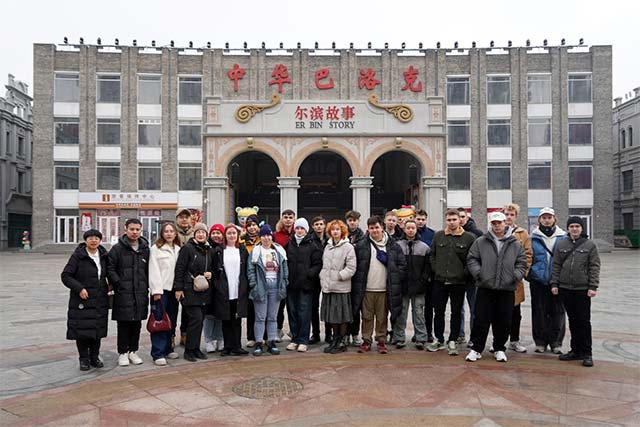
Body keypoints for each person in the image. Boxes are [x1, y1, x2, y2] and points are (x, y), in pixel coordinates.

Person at [465, 212, 527, 363]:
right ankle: (476, 349)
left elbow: (522, 262)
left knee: (504, 320)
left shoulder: (515, 243)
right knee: (481, 319)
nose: (497, 226)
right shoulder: (481, 241)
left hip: (507, 288)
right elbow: (472, 259)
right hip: (486, 286)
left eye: (499, 223)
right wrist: (479, 273)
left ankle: (499, 348)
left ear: (505, 223)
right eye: (494, 223)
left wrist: (515, 276)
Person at [352, 216, 406, 354]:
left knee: (382, 318)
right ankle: (366, 340)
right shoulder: (361, 245)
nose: (374, 230)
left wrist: (393, 273)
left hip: (384, 289)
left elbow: (402, 266)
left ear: (382, 227)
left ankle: (381, 341)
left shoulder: (393, 246)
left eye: (376, 227)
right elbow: (355, 267)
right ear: (368, 229)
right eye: (371, 228)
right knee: (366, 317)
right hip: (367, 289)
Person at [551, 217, 600, 367]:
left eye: (577, 226)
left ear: (582, 228)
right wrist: (554, 283)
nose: (574, 229)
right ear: (567, 228)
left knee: (583, 321)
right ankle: (575, 350)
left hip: (582, 289)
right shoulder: (561, 244)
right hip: (565, 288)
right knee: (572, 320)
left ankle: (587, 353)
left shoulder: (590, 245)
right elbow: (556, 265)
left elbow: (594, 266)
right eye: (571, 226)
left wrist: (593, 286)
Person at [427, 209, 475, 356]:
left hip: (458, 282)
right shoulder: (439, 235)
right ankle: (439, 339)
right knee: (438, 312)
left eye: (454, 219)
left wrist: (463, 274)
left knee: (456, 312)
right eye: (449, 220)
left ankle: (453, 340)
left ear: (460, 220)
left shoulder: (469, 238)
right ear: (446, 220)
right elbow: (432, 255)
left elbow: (472, 259)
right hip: (440, 281)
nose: (452, 222)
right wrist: (436, 270)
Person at [61, 229, 110, 371]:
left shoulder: (104, 256)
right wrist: (79, 288)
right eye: (90, 238)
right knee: (82, 331)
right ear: (85, 240)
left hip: (100, 299)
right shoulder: (78, 256)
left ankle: (94, 357)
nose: (94, 241)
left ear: (100, 240)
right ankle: (83, 359)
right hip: (82, 299)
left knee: (97, 330)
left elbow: (109, 273)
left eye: (96, 238)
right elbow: (66, 276)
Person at [108, 218, 150, 367]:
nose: (135, 232)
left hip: (140, 292)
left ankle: (133, 351)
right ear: (125, 229)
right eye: (132, 229)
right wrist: (118, 283)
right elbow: (110, 268)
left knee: (137, 324)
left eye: (137, 229)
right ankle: (123, 352)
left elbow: (149, 269)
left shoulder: (145, 249)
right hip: (123, 293)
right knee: (124, 323)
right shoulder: (117, 249)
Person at [528, 207, 566, 354]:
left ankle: (556, 342)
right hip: (538, 281)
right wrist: (530, 274)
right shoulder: (533, 237)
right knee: (539, 311)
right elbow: (528, 257)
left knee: (558, 312)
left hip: (558, 281)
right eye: (544, 218)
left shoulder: (563, 237)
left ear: (554, 219)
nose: (547, 220)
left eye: (549, 217)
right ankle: (540, 341)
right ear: (539, 220)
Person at [173, 222, 213, 362]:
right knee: (195, 319)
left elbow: (212, 267)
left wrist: (210, 274)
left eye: (203, 232)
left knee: (200, 321)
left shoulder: (208, 249)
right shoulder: (187, 248)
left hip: (203, 290)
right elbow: (180, 268)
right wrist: (178, 288)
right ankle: (189, 350)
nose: (201, 235)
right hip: (190, 290)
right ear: (194, 234)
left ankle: (196, 349)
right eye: (198, 232)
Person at [248, 224, 289, 356]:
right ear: (260, 237)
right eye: (264, 235)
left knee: (272, 317)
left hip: (276, 286)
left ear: (272, 236)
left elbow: (285, 268)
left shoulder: (279, 250)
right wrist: (254, 285)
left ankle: (271, 341)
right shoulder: (256, 251)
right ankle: (259, 342)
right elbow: (250, 270)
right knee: (260, 317)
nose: (266, 238)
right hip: (261, 286)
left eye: (268, 235)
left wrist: (284, 283)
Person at [285, 218, 323, 352]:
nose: (299, 231)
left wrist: (308, 274)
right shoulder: (289, 244)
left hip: (306, 285)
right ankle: (294, 339)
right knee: (292, 312)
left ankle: (303, 340)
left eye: (302, 228)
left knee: (304, 313)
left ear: (306, 230)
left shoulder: (313, 245)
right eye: (297, 228)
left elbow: (318, 264)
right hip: (291, 285)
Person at [212, 224, 250, 357]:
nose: (232, 236)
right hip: (224, 290)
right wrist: (218, 285)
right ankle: (227, 346)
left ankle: (237, 346)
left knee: (237, 319)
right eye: (229, 233)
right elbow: (214, 270)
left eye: (234, 233)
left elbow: (246, 269)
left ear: (237, 235)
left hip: (238, 289)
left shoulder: (242, 250)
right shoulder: (219, 251)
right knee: (226, 319)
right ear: (225, 236)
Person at [320, 220, 357, 354]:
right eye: (333, 229)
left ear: (342, 231)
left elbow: (351, 267)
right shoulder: (328, 246)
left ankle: (341, 341)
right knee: (332, 316)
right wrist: (323, 276)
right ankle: (335, 339)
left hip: (341, 287)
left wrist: (339, 276)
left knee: (341, 316)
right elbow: (324, 265)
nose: (335, 232)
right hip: (328, 286)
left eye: (337, 229)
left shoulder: (348, 247)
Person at [393, 220, 431, 350]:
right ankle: (399, 337)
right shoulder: (397, 246)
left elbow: (427, 268)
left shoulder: (424, 247)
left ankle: (421, 338)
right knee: (401, 312)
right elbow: (394, 265)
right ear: (404, 229)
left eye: (413, 228)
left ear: (416, 229)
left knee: (418, 313)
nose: (410, 230)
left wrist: (423, 281)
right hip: (402, 286)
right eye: (408, 228)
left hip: (419, 286)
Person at [148, 222, 181, 366]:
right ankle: (158, 353)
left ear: (175, 233)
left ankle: (168, 348)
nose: (169, 234)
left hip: (174, 290)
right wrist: (156, 290)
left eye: (171, 231)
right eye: (166, 231)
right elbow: (153, 270)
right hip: (161, 291)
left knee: (170, 320)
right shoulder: (156, 249)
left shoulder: (178, 249)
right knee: (159, 321)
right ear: (162, 233)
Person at [503, 203, 533, 353]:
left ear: (516, 216)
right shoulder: (496, 230)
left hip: (515, 280)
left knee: (515, 313)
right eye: (506, 214)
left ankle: (514, 341)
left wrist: (521, 273)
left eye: (511, 214)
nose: (509, 217)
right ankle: (499, 341)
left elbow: (528, 255)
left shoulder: (522, 233)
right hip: (499, 280)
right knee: (500, 312)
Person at [456, 207, 482, 346]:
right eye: (458, 217)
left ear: (467, 217)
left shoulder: (477, 234)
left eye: (462, 217)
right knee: (458, 308)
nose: (460, 220)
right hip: (457, 277)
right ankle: (460, 335)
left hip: (473, 278)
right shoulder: (451, 233)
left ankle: (474, 336)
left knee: (475, 308)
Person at [239, 214, 261, 348]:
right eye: (249, 225)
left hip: (262, 279)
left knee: (262, 310)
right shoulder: (241, 241)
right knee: (251, 309)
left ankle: (263, 336)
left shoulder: (263, 239)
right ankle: (251, 336)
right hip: (247, 280)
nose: (252, 228)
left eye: (254, 225)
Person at [274, 209, 296, 341]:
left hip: (294, 275)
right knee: (279, 305)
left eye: (290, 217)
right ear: (282, 219)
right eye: (285, 217)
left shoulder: (298, 233)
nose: (288, 219)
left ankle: (294, 331)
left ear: (294, 219)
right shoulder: (276, 235)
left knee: (293, 306)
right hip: (279, 275)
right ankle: (278, 330)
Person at [414, 209, 436, 343]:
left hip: (429, 276)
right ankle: (417, 332)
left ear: (426, 220)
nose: (420, 222)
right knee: (415, 308)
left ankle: (428, 332)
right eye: (418, 219)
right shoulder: (410, 232)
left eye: (423, 219)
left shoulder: (432, 234)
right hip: (414, 275)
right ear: (414, 219)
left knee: (428, 307)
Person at [203, 224, 225, 353]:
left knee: (220, 315)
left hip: (222, 287)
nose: (216, 235)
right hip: (209, 287)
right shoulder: (207, 248)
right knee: (209, 316)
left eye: (219, 233)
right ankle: (208, 340)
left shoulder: (225, 248)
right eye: (214, 233)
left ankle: (219, 338)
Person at [345, 210, 365, 346]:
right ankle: (345, 334)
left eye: (355, 220)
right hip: (345, 277)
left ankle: (355, 334)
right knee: (345, 307)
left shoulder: (363, 237)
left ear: (358, 221)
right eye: (350, 220)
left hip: (358, 276)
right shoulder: (342, 234)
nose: (352, 223)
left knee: (356, 307)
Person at [175, 208, 194, 347]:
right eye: (181, 217)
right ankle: (170, 336)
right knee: (171, 310)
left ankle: (185, 334)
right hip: (172, 278)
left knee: (188, 310)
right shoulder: (171, 233)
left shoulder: (195, 234)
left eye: (186, 217)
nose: (184, 219)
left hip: (190, 280)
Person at [309, 215, 328, 344]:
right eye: (316, 224)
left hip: (328, 277)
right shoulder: (310, 239)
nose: (319, 226)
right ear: (313, 226)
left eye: (321, 224)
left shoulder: (330, 239)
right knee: (313, 306)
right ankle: (315, 334)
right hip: (315, 277)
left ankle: (329, 334)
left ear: (324, 225)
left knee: (328, 306)